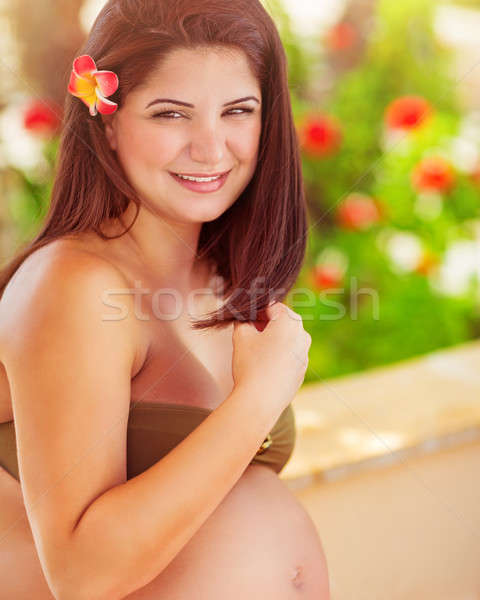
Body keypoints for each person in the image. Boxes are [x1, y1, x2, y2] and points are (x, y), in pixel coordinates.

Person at [0, 0, 331, 597]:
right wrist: (257, 397)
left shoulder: (220, 272)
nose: (210, 148)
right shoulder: (74, 285)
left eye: (238, 111)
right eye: (171, 114)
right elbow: (81, 574)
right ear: (107, 121)